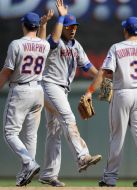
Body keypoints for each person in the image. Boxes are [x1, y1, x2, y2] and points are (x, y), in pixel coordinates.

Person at [84, 9, 137, 187]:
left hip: (122, 93)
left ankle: (110, 178)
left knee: (117, 137)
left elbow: (106, 72)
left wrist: (93, 91)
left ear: (125, 31)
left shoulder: (117, 47)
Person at [37, 0, 101, 187]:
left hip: (60, 89)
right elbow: (54, 40)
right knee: (68, 117)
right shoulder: (54, 41)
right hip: (49, 85)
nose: (72, 29)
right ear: (62, 27)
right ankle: (82, 156)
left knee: (54, 131)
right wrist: (61, 16)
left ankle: (48, 174)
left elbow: (88, 67)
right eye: (68, 26)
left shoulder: (76, 45)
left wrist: (103, 79)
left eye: (74, 26)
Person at [0, 12, 50, 186]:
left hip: (20, 90)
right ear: (36, 27)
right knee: (31, 136)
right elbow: (40, 43)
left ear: (24, 25)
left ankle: (29, 163)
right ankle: (24, 174)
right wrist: (43, 26)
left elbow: (6, 71)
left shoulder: (17, 44)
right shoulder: (45, 45)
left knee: (10, 133)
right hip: (38, 91)